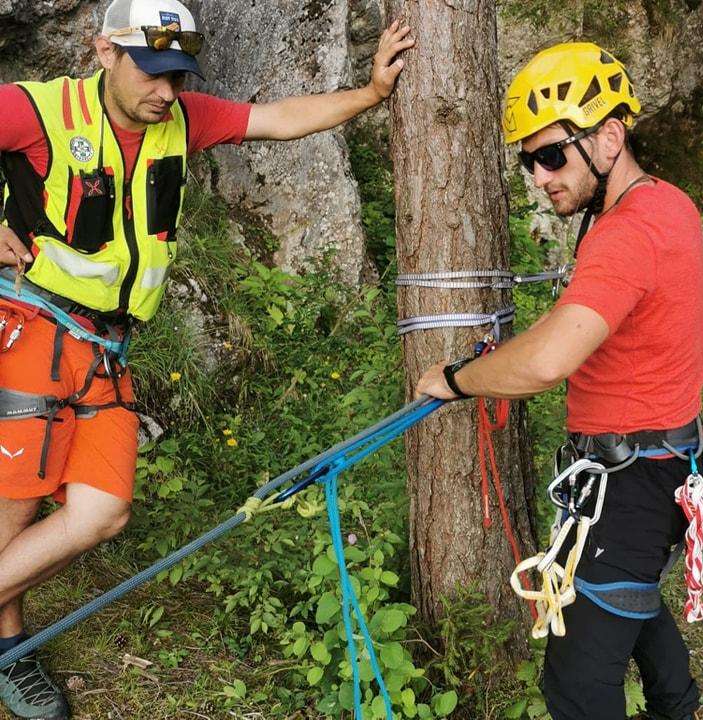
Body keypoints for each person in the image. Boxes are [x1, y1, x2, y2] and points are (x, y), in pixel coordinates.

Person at [0, 1, 413, 717]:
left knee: (103, 510)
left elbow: (279, 119)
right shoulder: (37, 111)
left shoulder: (183, 122)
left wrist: (372, 95)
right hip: (30, 327)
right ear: (104, 52)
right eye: (152, 73)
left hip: (107, 349)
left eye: (178, 76)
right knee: (11, 512)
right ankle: (11, 651)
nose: (166, 91)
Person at [416, 42, 703, 720]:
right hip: (670, 466)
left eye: (552, 156)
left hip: (631, 484)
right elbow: (594, 320)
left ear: (609, 136)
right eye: (527, 162)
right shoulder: (668, 205)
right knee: (633, 603)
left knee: (575, 689)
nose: (538, 177)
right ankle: (681, 708)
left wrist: (458, 378)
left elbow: (548, 362)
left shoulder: (624, 233)